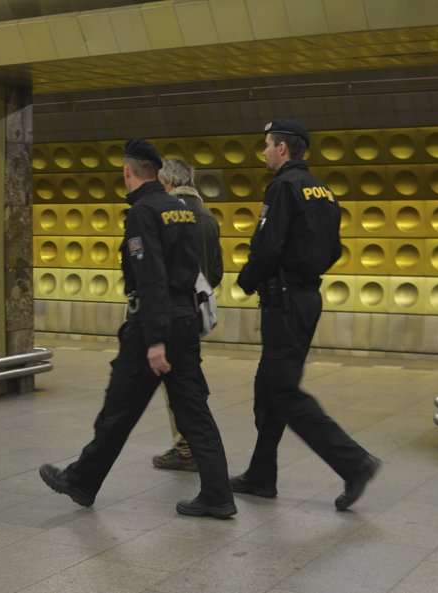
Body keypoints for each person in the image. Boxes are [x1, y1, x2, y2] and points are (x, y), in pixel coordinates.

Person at [39, 139, 236, 519]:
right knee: (194, 411)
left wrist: (155, 340)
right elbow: (192, 270)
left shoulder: (143, 213)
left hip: (152, 324)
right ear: (158, 174)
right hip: (184, 321)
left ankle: (81, 480)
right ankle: (218, 493)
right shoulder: (180, 208)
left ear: (128, 172)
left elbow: (150, 278)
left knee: (120, 407)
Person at [230, 120, 380, 511]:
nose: (263, 152)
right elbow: (334, 248)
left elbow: (267, 243)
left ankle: (354, 462)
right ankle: (261, 475)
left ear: (282, 148)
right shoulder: (324, 192)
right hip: (306, 295)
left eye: (266, 145)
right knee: (269, 387)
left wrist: (246, 279)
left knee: (283, 390)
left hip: (284, 299)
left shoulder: (282, 187)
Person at [150, 158, 223, 472]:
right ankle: (191, 445)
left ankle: (186, 448)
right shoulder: (208, 215)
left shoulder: (169, 212)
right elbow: (216, 271)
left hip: (173, 309)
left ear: (166, 181)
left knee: (176, 381)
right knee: (188, 375)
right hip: (196, 310)